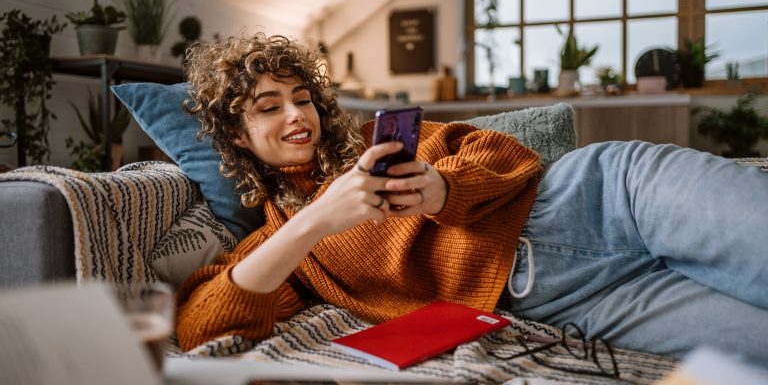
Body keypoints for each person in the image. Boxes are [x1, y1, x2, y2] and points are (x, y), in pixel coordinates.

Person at [176, 33, 768, 366]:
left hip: (605, 194)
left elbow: (505, 154)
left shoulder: (375, 145)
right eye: (268, 106)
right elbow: (204, 326)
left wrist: (442, 188)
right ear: (236, 132)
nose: (296, 114)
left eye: (300, 97)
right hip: (577, 302)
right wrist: (313, 224)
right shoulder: (284, 245)